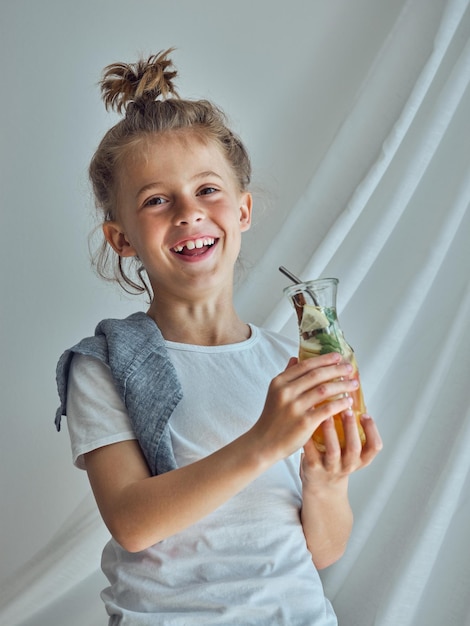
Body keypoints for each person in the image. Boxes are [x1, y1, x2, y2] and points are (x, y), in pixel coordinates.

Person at [55, 49, 382, 625]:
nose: (188, 212)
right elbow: (133, 523)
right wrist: (265, 440)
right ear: (121, 238)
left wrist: (325, 482)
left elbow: (322, 551)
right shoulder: (105, 363)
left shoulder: (289, 362)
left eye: (208, 190)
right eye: (156, 200)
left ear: (244, 210)